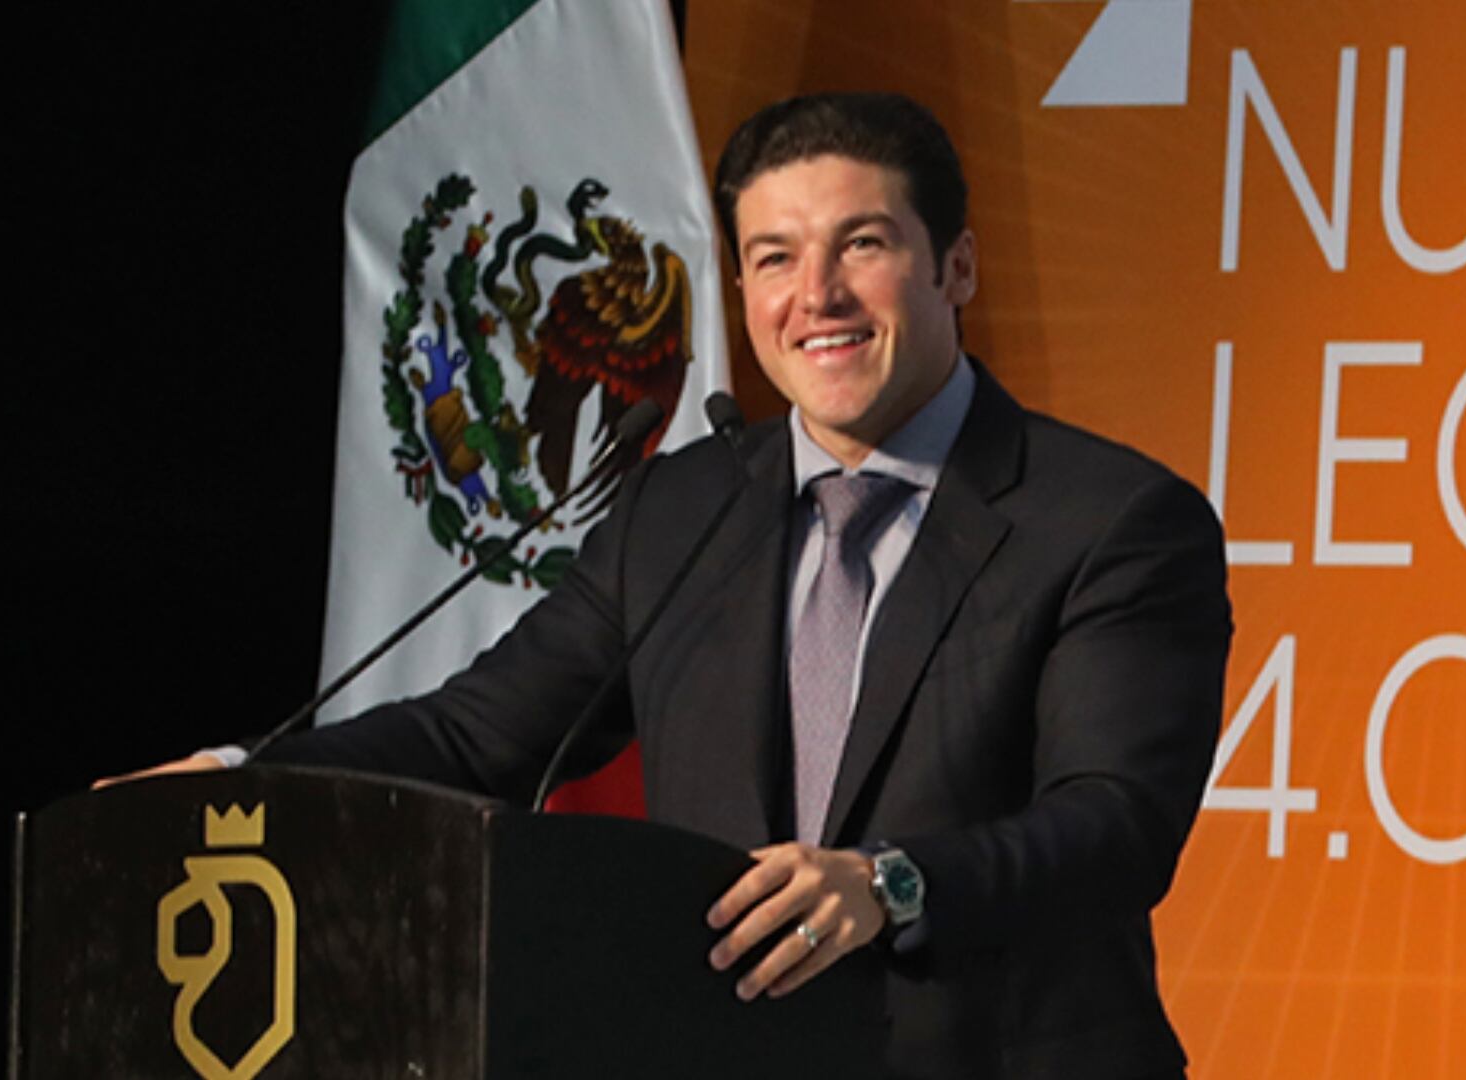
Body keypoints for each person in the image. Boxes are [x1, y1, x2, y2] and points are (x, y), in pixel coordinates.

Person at [109, 92, 1231, 1078]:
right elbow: (474, 738)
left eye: (863, 244)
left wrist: (889, 884)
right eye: (775, 258)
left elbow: (1115, 822)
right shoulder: (680, 509)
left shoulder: (1111, 521)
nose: (817, 296)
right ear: (740, 287)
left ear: (957, 267)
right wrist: (238, 779)